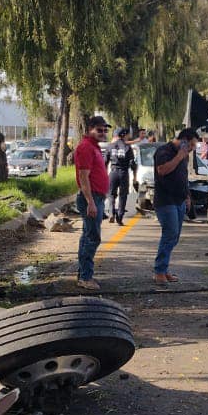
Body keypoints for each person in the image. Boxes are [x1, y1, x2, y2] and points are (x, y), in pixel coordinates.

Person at [151, 128, 198, 285]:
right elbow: (162, 170)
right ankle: (159, 271)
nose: (191, 149)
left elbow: (183, 177)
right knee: (170, 234)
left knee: (174, 237)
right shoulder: (164, 151)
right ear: (183, 140)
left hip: (179, 201)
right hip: (165, 201)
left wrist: (187, 196)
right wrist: (179, 157)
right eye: (191, 145)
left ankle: (164, 269)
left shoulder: (184, 156)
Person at [73, 116, 111, 291]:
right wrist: (90, 202)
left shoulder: (94, 146)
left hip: (97, 198)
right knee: (92, 238)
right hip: (91, 198)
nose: (103, 133)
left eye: (105, 130)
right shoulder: (86, 147)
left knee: (87, 236)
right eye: (99, 130)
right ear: (90, 129)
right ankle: (86, 277)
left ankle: (83, 274)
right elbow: (83, 176)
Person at [104, 127, 136, 225]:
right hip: (124, 173)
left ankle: (111, 213)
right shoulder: (127, 147)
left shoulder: (110, 146)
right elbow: (133, 164)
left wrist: (105, 175)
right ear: (124, 135)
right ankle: (120, 217)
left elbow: (105, 162)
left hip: (113, 172)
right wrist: (134, 176)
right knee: (123, 196)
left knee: (111, 194)